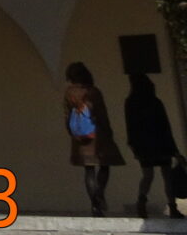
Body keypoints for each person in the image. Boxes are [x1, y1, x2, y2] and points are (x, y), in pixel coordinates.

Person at [65, 62, 125, 214]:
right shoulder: (93, 92)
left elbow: (67, 115)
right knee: (104, 165)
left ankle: (94, 204)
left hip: (80, 137)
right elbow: (102, 113)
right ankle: (99, 194)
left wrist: (73, 132)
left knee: (89, 170)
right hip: (98, 135)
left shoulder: (69, 93)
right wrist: (108, 131)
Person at [125, 71, 181, 220]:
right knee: (167, 176)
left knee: (147, 175)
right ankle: (173, 206)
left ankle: (141, 203)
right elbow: (165, 126)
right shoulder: (155, 102)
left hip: (144, 145)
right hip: (161, 144)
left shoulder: (131, 102)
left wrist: (133, 144)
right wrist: (175, 150)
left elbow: (130, 126)